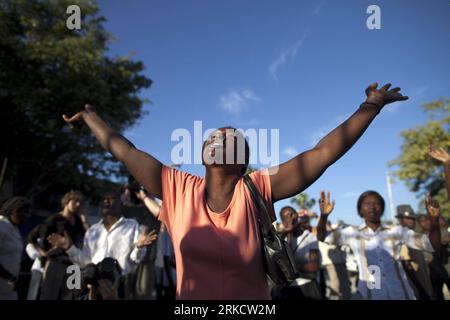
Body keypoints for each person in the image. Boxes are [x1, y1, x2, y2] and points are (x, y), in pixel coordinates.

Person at [62, 82, 408, 299]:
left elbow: (323, 153)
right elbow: (123, 149)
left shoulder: (258, 187)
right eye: (213, 136)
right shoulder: (177, 187)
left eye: (229, 138)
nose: (218, 138)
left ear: (243, 161)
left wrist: (372, 104)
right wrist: (91, 116)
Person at [317, 190, 441, 300]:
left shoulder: (397, 231)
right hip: (370, 295)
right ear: (360, 210)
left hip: (401, 294)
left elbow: (430, 244)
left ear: (382, 208)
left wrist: (434, 220)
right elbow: (322, 237)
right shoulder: (351, 233)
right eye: (367, 204)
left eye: (377, 203)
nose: (372, 207)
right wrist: (323, 216)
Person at [47, 192, 157, 298]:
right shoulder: (92, 231)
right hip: (93, 287)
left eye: (110, 199)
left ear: (120, 205)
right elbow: (85, 261)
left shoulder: (132, 225)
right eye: (104, 200)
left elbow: (135, 259)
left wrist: (138, 247)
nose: (106, 202)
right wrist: (69, 248)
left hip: (117, 286)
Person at [27, 190, 86, 299]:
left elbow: (87, 239)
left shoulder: (79, 221)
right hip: (56, 262)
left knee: (72, 295)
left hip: (75, 264)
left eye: (80, 202)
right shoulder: (54, 220)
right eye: (75, 201)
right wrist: (43, 253)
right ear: (67, 201)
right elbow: (32, 238)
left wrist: (84, 221)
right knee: (50, 295)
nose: (78, 204)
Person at [121, 181, 161, 300]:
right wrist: (126, 192)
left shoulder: (152, 206)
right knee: (123, 293)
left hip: (147, 259)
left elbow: (160, 212)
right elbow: (115, 208)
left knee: (142, 295)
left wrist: (145, 196)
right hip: (127, 258)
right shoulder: (127, 209)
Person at [274, 206, 322, 300]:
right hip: (288, 291)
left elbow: (314, 266)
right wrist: (288, 233)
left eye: (293, 213)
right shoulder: (281, 240)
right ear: (283, 222)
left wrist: (294, 269)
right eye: (288, 216)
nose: (292, 217)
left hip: (307, 288)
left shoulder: (309, 237)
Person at [396, 204, 435, 299]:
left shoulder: (417, 236)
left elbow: (431, 246)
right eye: (407, 218)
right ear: (400, 220)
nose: (411, 221)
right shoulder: (394, 238)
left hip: (426, 287)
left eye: (412, 218)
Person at [0, 196, 31, 300]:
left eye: (26, 212)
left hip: (9, 287)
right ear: (11, 210)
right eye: (20, 211)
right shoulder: (1, 226)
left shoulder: (14, 228)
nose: (24, 215)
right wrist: (10, 277)